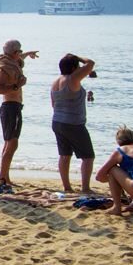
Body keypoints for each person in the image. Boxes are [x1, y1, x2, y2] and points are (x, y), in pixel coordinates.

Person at [0, 39, 39, 187]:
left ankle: (5, 176)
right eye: (19, 52)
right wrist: (18, 85)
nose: (20, 55)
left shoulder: (10, 61)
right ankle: (2, 177)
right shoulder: (5, 67)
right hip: (10, 106)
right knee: (12, 143)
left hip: (12, 107)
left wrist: (27, 54)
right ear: (14, 53)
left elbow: (17, 59)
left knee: (9, 142)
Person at [50, 53, 96, 193]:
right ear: (74, 67)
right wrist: (77, 57)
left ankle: (67, 187)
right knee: (88, 157)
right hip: (74, 123)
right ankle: (86, 188)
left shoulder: (55, 81)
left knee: (64, 155)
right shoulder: (73, 78)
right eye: (78, 66)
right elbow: (91, 63)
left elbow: (53, 104)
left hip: (57, 121)